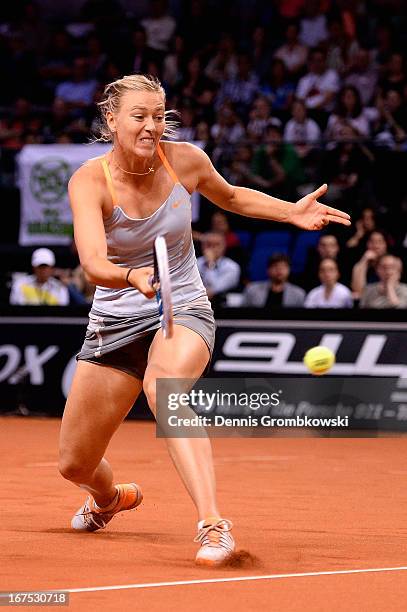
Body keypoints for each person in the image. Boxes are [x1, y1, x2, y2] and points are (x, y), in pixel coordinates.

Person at [59, 73, 350, 567]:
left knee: (165, 388)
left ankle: (214, 525)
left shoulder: (186, 160)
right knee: (74, 464)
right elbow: (91, 263)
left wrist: (291, 213)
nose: (152, 125)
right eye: (140, 116)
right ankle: (110, 499)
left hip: (183, 308)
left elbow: (233, 197)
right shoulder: (90, 180)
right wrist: (132, 277)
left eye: (159, 115)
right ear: (112, 120)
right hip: (114, 320)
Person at [196, 232, 241, 302]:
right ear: (202, 246)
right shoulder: (196, 263)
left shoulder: (232, 267)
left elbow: (213, 289)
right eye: (208, 244)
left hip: (222, 305)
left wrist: (210, 264)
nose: (212, 248)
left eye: (216, 245)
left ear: (224, 247)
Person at [351, 230, 388, 298]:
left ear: (386, 245)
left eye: (380, 241)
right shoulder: (361, 264)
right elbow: (358, 290)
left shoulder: (390, 264)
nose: (375, 245)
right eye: (372, 241)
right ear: (367, 244)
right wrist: (364, 261)